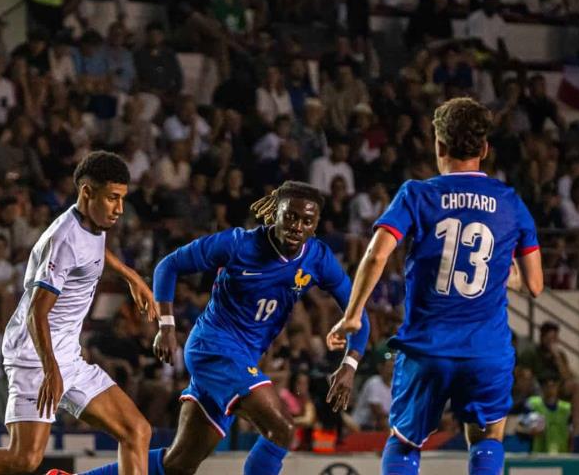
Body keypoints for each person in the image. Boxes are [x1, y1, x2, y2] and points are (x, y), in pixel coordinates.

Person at [80, 180, 370, 475]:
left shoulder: (318, 258)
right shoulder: (238, 244)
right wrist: (166, 326)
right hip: (213, 347)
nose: (297, 226)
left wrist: (349, 363)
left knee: (179, 465)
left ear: (316, 224)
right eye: (291, 216)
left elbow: (358, 313)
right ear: (275, 214)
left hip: (243, 357)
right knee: (281, 427)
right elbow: (168, 266)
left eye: (307, 221)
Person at [329, 97, 544, 475]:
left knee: (405, 442)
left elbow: (377, 256)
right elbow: (535, 284)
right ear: (484, 149)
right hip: (485, 350)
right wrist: (502, 273)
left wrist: (353, 314)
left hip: (426, 348)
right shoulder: (511, 203)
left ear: (438, 145)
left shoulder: (417, 194)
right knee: (487, 439)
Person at [0, 151, 157, 475]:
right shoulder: (63, 240)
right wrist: (51, 370)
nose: (119, 209)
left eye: (122, 199)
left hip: (66, 356)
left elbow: (95, 250)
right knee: (23, 459)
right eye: (113, 198)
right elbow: (35, 314)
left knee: (136, 431)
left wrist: (131, 276)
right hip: (35, 354)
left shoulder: (93, 223)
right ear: (87, 192)